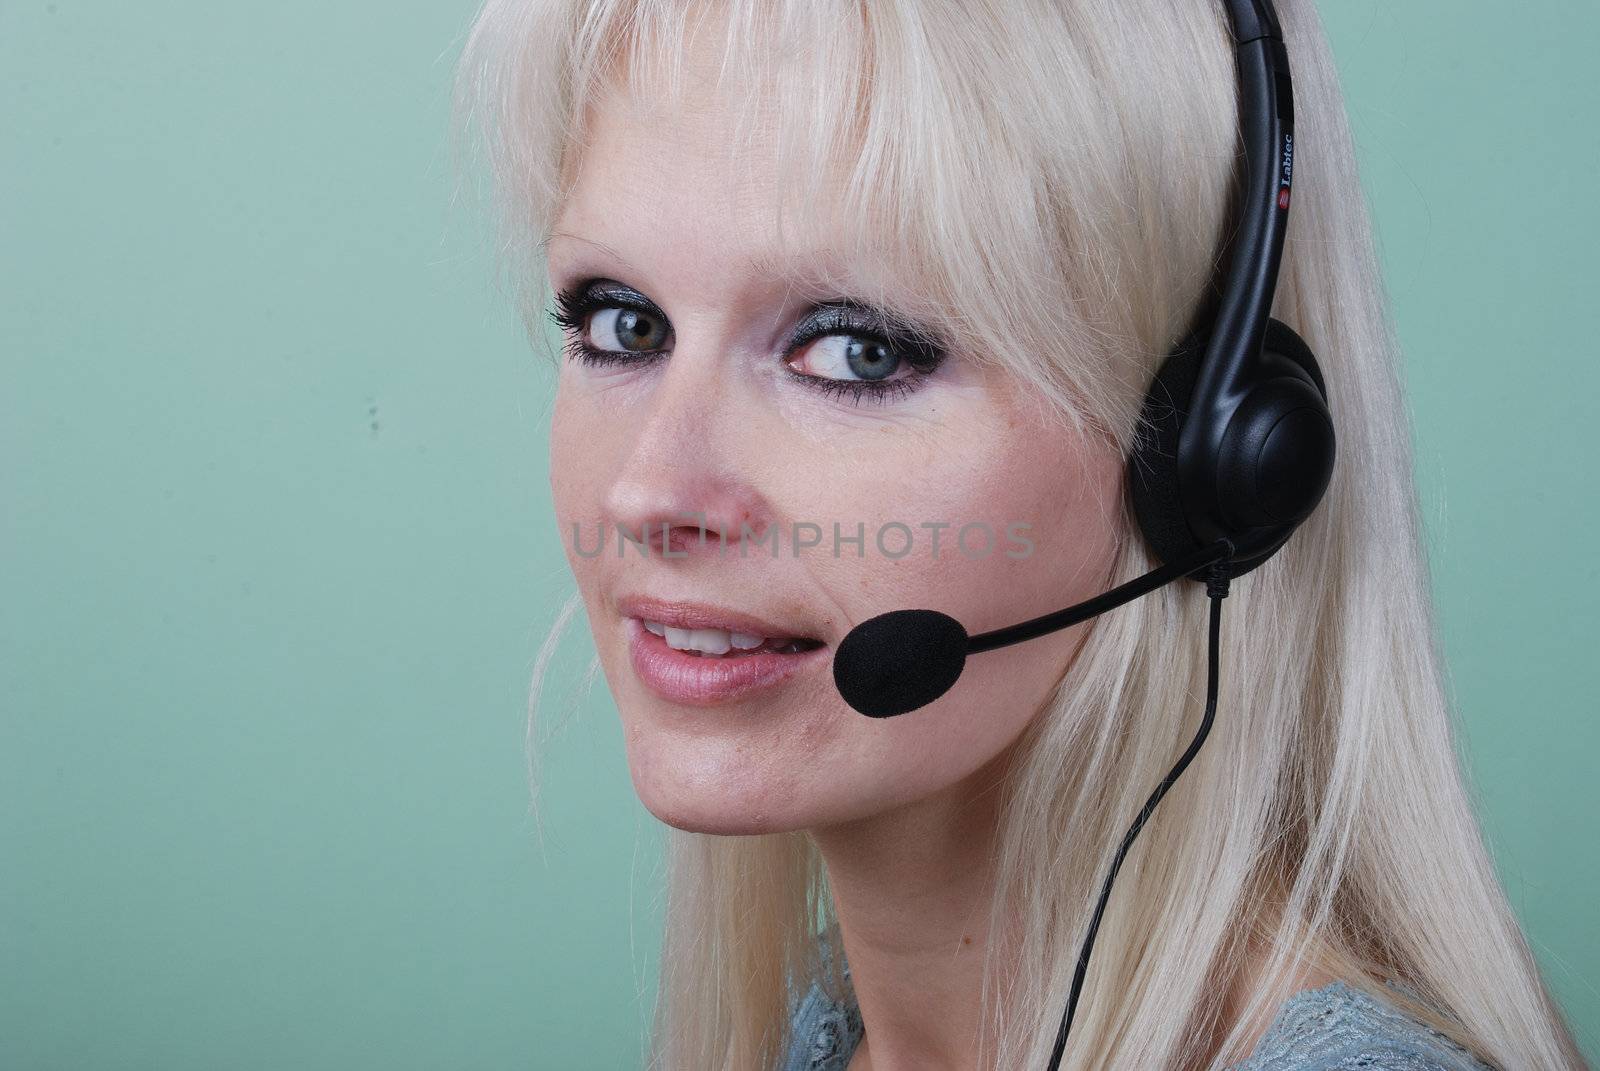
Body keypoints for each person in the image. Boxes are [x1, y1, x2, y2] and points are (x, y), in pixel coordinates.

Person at [451, 0, 1589, 1067]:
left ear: (1205, 464)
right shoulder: (821, 1036)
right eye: (621, 323)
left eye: (859, 351)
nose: (650, 492)